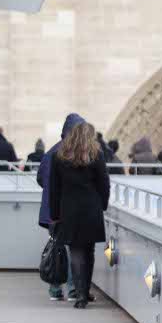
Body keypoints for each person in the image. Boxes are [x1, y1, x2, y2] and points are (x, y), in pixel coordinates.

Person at [48, 122, 110, 310]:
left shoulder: (60, 157)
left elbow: (54, 189)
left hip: (69, 210)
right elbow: (104, 183)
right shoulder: (96, 155)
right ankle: (84, 292)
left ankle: (79, 296)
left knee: (75, 251)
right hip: (91, 208)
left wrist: (55, 214)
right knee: (88, 252)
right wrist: (103, 205)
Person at [38, 113, 84, 301]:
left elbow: (40, 178)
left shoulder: (51, 153)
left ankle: (55, 290)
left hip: (54, 210)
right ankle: (73, 290)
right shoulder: (81, 154)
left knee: (57, 247)